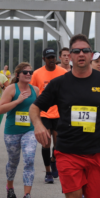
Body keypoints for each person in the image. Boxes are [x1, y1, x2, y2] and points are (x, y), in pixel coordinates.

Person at [30, 34, 100, 198]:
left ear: (91, 55)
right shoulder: (59, 83)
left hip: (97, 152)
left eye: (85, 50)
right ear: (69, 56)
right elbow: (34, 108)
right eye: (76, 51)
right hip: (68, 152)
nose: (81, 54)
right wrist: (38, 124)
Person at [0, 62, 39, 198]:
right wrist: (18, 101)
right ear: (18, 74)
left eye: (30, 72)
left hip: (30, 130)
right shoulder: (11, 89)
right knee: (13, 161)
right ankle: (10, 187)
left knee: (29, 158)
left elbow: (38, 110)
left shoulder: (35, 90)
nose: (28, 74)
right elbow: (0, 109)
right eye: (25, 72)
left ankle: (27, 195)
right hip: (12, 131)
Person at [29, 47, 67, 183]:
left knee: (58, 144)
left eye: (53, 57)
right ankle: (48, 172)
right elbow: (33, 91)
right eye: (49, 58)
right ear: (43, 59)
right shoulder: (37, 73)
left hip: (59, 113)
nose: (52, 60)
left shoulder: (63, 72)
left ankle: (53, 159)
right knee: (46, 143)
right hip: (44, 113)